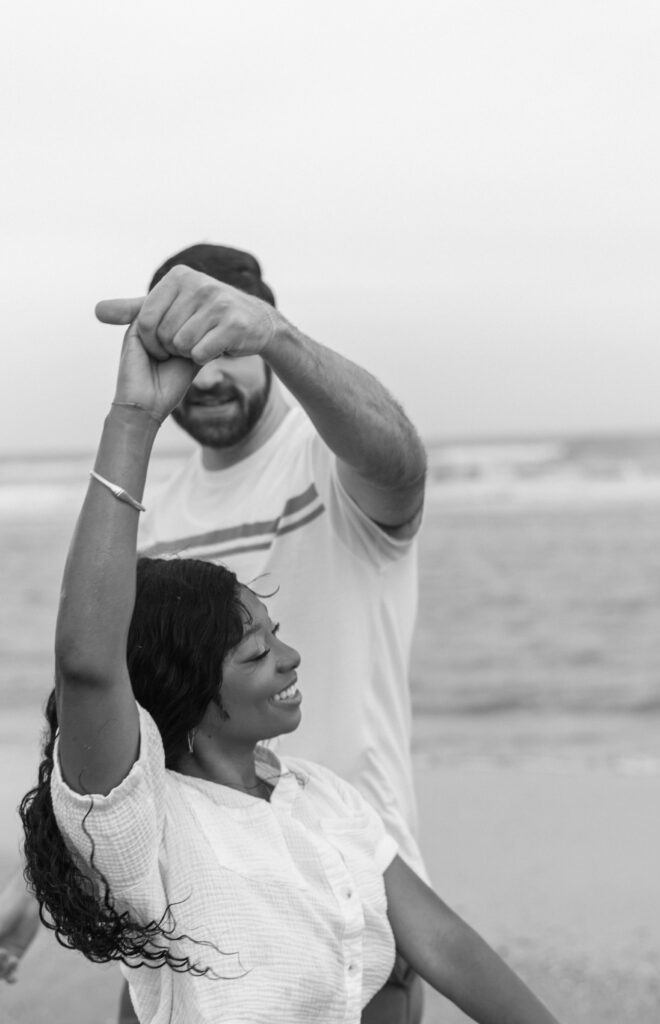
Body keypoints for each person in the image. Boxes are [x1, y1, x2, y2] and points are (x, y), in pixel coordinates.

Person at [20, 293, 562, 1024]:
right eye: (257, 649)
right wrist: (132, 421)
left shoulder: (324, 797)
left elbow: (446, 943)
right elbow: (92, 665)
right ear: (183, 686)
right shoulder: (153, 831)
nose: (292, 656)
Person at [2, 245, 428, 1022]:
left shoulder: (327, 466)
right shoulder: (153, 517)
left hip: (352, 887)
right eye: (183, 351)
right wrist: (32, 886)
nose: (207, 376)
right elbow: (116, 715)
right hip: (194, 912)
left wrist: (279, 335)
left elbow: (397, 467)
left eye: (228, 346)